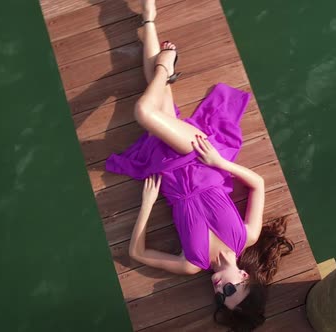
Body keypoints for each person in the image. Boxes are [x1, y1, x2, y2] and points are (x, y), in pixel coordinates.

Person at [105, 0, 293, 330]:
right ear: (245, 277)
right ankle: (167, 66)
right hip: (198, 153)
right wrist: (221, 162)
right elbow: (258, 184)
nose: (220, 289)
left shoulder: (192, 264)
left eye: (221, 297)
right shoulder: (245, 237)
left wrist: (147, 205)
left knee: (159, 104)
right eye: (231, 291)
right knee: (146, 113)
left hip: (166, 168)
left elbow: (136, 253)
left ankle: (151, 27)